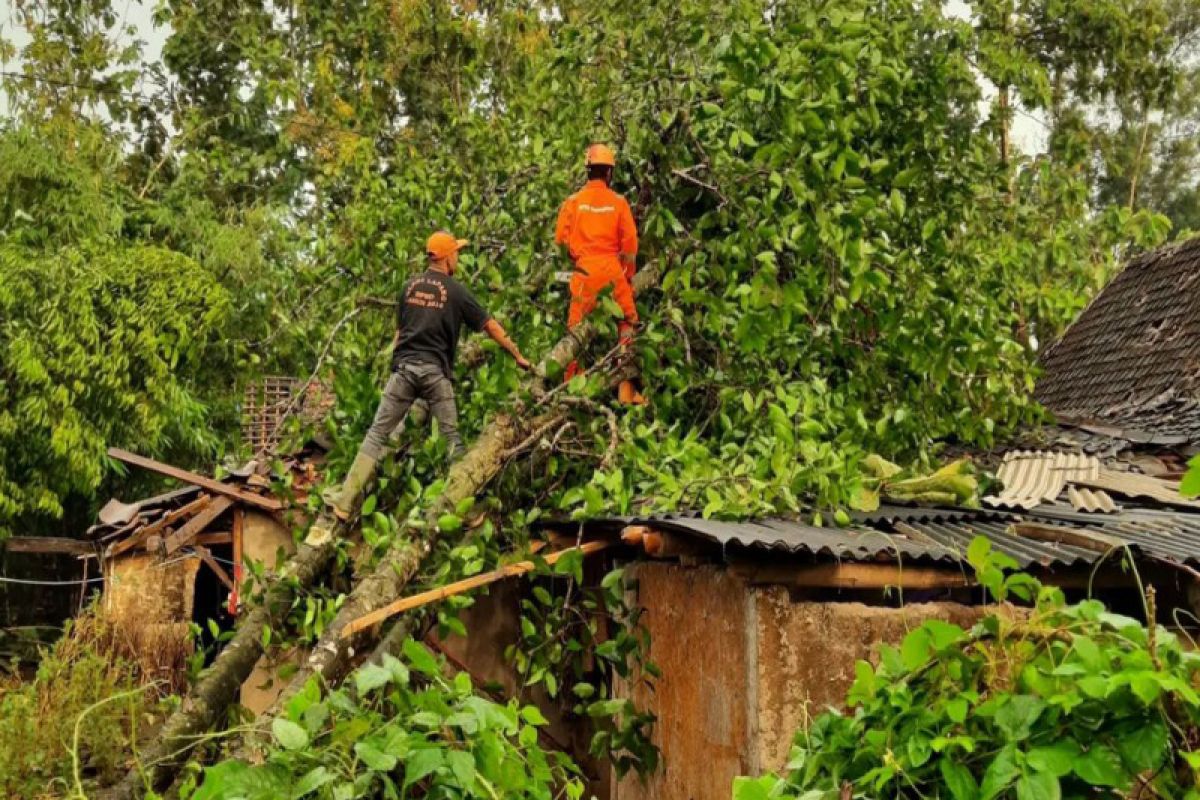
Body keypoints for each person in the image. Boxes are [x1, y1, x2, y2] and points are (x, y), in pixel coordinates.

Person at [322, 231, 531, 520]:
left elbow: (399, 335)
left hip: (404, 371)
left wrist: (393, 369)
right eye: (456, 252)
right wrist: (517, 355)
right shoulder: (456, 292)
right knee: (451, 441)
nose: (459, 257)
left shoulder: (408, 287)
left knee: (376, 434)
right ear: (446, 258)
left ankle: (344, 503)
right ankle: (469, 514)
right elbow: (491, 327)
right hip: (435, 375)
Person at [554, 143, 646, 404]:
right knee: (627, 322)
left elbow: (560, 241)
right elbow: (629, 247)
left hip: (584, 272)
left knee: (575, 335)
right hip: (611, 270)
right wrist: (626, 277)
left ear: (588, 171)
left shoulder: (573, 202)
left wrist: (577, 258)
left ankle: (573, 392)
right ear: (609, 173)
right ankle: (626, 392)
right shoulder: (618, 203)